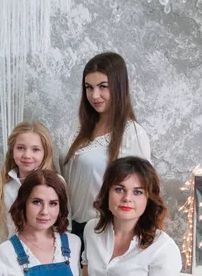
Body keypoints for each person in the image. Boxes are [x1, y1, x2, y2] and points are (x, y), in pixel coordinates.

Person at [60, 51, 151, 245]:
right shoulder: (79, 128)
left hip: (105, 232)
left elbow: (144, 192)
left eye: (103, 87)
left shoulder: (132, 134)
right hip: (68, 228)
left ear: (119, 88)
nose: (95, 95)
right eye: (89, 87)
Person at [0, 121, 58, 244]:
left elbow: (65, 227)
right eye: (21, 148)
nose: (27, 155)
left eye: (35, 149)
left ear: (45, 152)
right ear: (12, 151)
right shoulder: (4, 187)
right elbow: (1, 233)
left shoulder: (56, 184)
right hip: (13, 256)